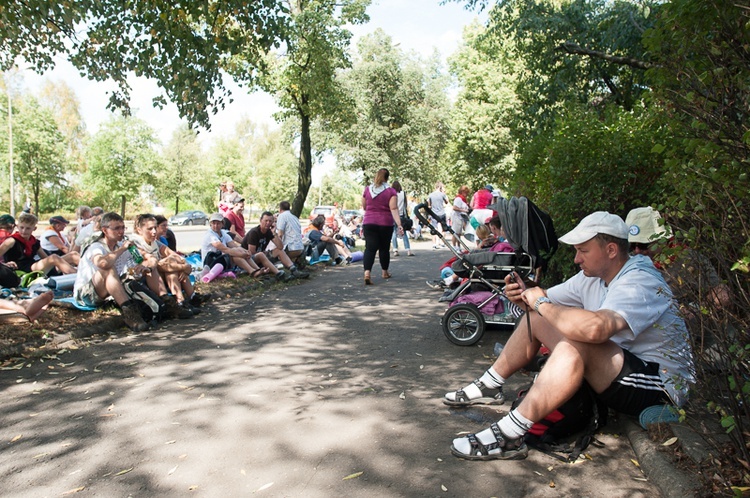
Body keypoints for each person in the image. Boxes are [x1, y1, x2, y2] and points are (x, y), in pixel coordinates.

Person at [444, 211, 694, 461]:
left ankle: (510, 434)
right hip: (621, 368)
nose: (576, 259)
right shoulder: (593, 277)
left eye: (583, 251)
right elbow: (542, 304)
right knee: (537, 319)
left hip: (660, 385)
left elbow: (596, 329)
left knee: (577, 343)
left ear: (610, 250)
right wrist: (523, 294)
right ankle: (490, 385)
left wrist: (540, 302)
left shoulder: (639, 280)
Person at [626, 206, 731, 326]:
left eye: (643, 245)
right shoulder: (630, 265)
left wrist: (693, 311)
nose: (638, 251)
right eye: (633, 245)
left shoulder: (689, 259)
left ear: (662, 239)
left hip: (699, 334)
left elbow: (722, 294)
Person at [73, 212, 152, 332]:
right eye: (116, 228)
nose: (121, 231)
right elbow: (103, 263)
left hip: (108, 290)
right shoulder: (96, 247)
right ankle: (129, 312)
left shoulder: (122, 244)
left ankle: (166, 303)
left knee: (151, 269)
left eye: (123, 227)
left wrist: (145, 265)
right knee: (108, 268)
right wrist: (122, 249)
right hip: (86, 294)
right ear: (104, 230)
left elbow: (150, 258)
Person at [130, 213, 202, 314]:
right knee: (170, 266)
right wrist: (183, 267)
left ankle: (182, 301)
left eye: (155, 228)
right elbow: (152, 264)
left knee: (172, 261)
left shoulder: (155, 242)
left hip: (159, 274)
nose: (154, 232)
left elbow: (174, 255)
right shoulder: (134, 243)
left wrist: (185, 265)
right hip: (145, 277)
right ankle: (183, 300)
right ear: (139, 230)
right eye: (150, 229)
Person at [0, 213, 77, 276]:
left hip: (34, 266)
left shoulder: (35, 242)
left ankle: (88, 272)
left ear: (34, 228)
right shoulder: (12, 240)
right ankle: (78, 276)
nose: (24, 231)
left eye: (28, 228)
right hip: (20, 270)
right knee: (54, 257)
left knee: (73, 255)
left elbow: (46, 258)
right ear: (17, 227)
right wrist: (4, 265)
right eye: (21, 227)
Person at [361, 168, 403, 285]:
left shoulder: (367, 190)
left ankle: (367, 273)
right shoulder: (391, 191)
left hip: (369, 222)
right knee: (384, 248)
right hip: (385, 223)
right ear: (387, 177)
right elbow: (393, 208)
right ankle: (385, 272)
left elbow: (364, 206)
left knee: (370, 248)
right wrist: (399, 224)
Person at [200, 213, 270, 279]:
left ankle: (257, 270)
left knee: (238, 252)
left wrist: (245, 252)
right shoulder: (210, 235)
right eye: (213, 223)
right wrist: (242, 254)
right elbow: (225, 249)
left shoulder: (224, 234)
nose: (215, 226)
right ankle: (252, 271)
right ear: (210, 224)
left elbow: (234, 246)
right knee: (235, 255)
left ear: (222, 224)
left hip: (221, 260)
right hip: (211, 263)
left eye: (218, 223)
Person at [242, 211, 307, 280]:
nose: (268, 223)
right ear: (261, 220)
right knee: (261, 254)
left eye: (270, 221)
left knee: (279, 251)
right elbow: (251, 252)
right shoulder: (254, 232)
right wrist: (265, 255)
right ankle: (279, 274)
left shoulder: (269, 232)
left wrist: (274, 233)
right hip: (249, 259)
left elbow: (280, 247)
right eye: (266, 220)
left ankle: (294, 270)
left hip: (261, 257)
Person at [276, 201, 305, 266]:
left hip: (290, 247)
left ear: (280, 209)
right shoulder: (294, 217)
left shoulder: (282, 216)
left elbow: (280, 234)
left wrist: (277, 246)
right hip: (299, 247)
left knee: (273, 253)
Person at [390, 181, 413, 257]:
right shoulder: (403, 193)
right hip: (402, 215)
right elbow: (405, 205)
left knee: (393, 232)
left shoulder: (391, 194)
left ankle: (395, 250)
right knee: (404, 232)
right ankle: (408, 250)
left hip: (393, 215)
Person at [427, 182, 449, 249]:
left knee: (434, 229)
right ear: (440, 187)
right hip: (441, 213)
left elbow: (429, 205)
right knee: (443, 229)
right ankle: (442, 243)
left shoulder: (430, 195)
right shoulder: (442, 194)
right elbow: (447, 202)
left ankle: (434, 244)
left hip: (434, 214)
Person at [450, 185, 471, 250]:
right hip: (457, 217)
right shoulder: (459, 199)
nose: (467, 194)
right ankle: (454, 247)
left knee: (459, 233)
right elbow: (454, 207)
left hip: (461, 217)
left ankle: (458, 247)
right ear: (462, 192)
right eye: (466, 192)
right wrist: (464, 210)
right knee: (455, 232)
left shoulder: (463, 199)